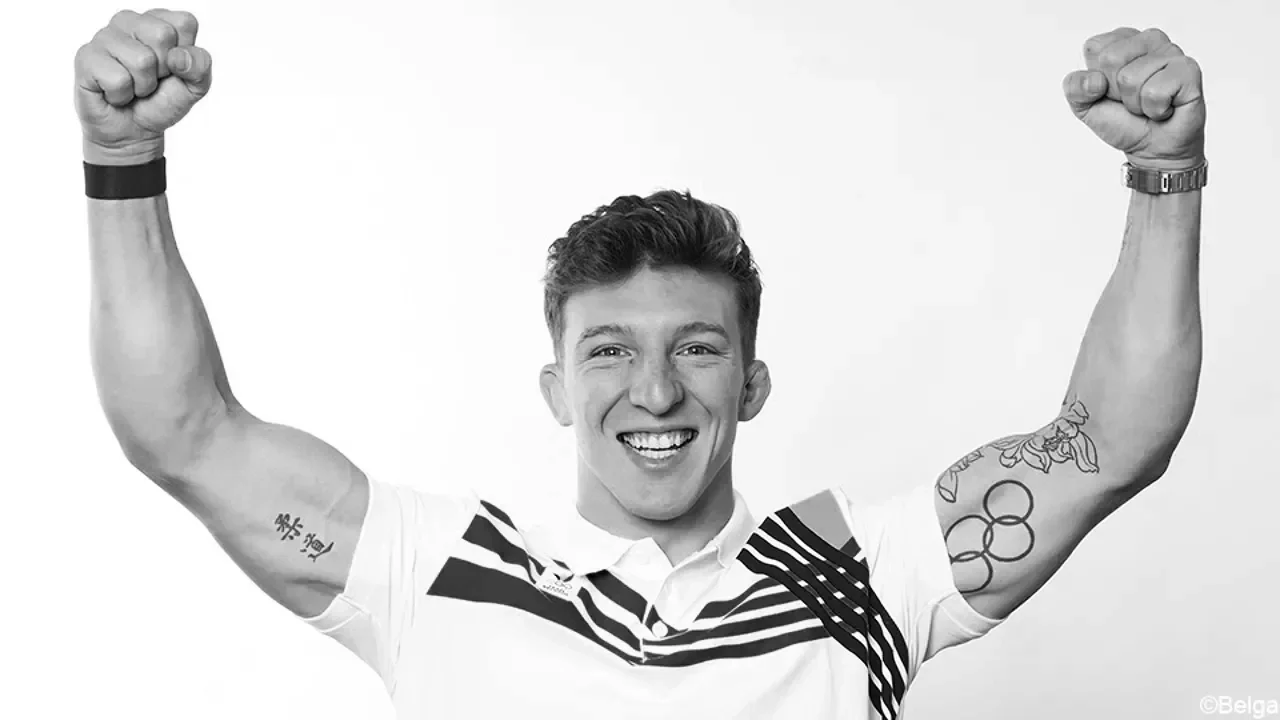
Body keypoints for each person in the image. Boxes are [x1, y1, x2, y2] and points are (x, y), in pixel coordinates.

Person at [76, 8, 1205, 719]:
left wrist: (1165, 174)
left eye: (697, 349)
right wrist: (123, 159)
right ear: (556, 388)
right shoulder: (428, 567)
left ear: (751, 383)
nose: (654, 392)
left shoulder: (869, 575)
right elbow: (183, 431)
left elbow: (1110, 438)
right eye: (608, 351)